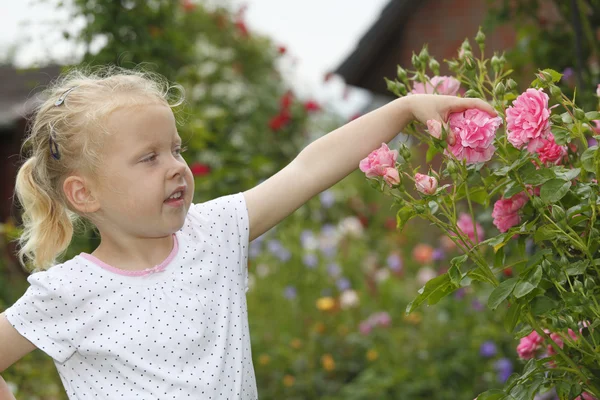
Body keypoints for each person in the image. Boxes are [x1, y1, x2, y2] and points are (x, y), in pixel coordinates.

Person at [0, 66, 495, 399]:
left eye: (175, 149)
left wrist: (402, 110)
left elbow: (307, 169)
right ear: (85, 194)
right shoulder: (68, 291)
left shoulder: (213, 233)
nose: (175, 167)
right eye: (149, 158)